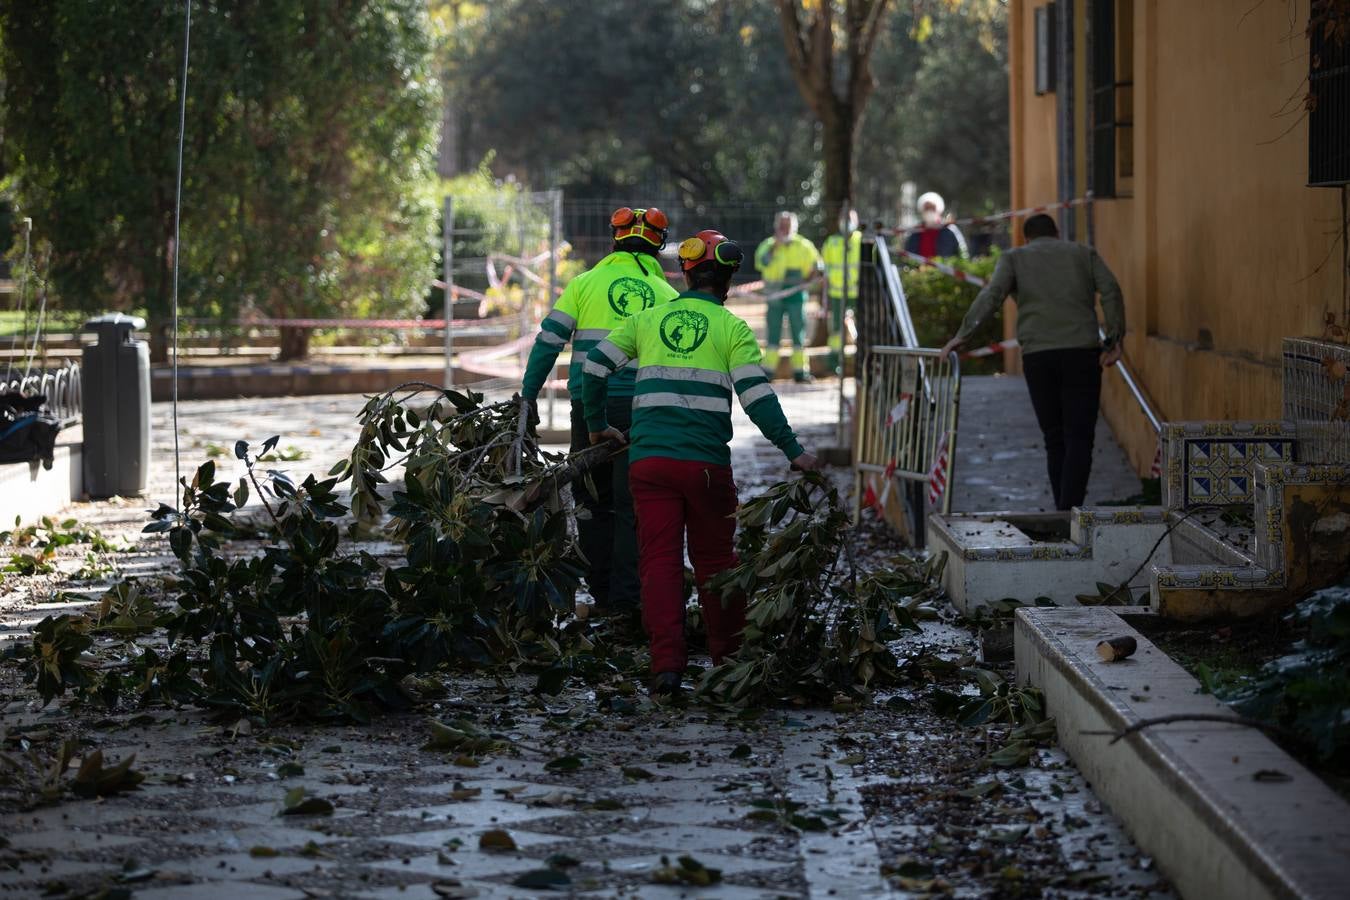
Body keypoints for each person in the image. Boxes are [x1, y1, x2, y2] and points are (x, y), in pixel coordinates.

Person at [582, 229, 822, 697]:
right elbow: (757, 399)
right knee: (715, 562)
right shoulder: (733, 330)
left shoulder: (649, 320)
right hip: (706, 468)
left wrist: (597, 427)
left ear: (684, 273)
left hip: (649, 463)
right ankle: (729, 664)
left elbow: (593, 367)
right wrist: (795, 453)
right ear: (730, 280)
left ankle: (666, 669)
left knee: (659, 563)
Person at [521, 207, 680, 621]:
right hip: (642, 411)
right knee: (633, 506)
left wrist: (527, 397)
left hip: (590, 407)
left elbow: (547, 343)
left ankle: (604, 595)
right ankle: (629, 601)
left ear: (615, 238)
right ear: (658, 246)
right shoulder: (667, 296)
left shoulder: (584, 283)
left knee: (593, 502)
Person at [941, 214, 1125, 511]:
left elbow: (992, 297)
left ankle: (1062, 512)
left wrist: (962, 336)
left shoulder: (1014, 258)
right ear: (1057, 232)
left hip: (1038, 357)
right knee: (1080, 436)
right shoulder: (1082, 253)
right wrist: (1114, 339)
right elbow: (1111, 290)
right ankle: (1070, 509)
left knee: (1054, 436)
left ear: (1026, 238)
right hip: (1081, 353)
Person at [754, 211, 822, 383]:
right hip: (775, 296)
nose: (784, 229)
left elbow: (817, 265)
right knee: (773, 334)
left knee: (798, 333)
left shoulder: (803, 245)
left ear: (794, 227)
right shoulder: (768, 244)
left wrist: (811, 276)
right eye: (781, 226)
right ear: (777, 227)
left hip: (796, 296)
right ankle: (768, 371)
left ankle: (800, 372)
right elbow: (760, 262)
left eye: (787, 225)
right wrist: (774, 248)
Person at [821, 209, 862, 374]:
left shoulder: (862, 240)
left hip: (858, 293)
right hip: (837, 294)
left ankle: (861, 360)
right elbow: (824, 267)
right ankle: (834, 362)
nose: (846, 222)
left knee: (861, 326)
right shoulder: (831, 242)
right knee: (836, 330)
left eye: (850, 219)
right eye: (843, 218)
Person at [904, 191, 968, 260]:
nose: (929, 211)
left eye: (932, 208)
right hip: (919, 269)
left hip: (945, 270)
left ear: (938, 208)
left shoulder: (950, 229)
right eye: (927, 208)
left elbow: (963, 253)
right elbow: (908, 256)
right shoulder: (915, 232)